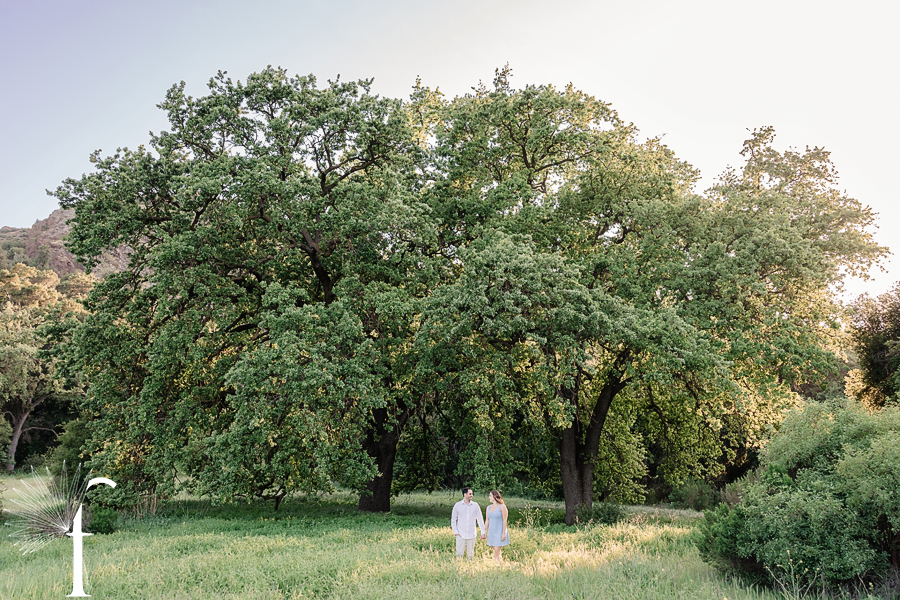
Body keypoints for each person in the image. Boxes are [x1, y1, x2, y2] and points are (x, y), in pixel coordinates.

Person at [450, 486, 485, 559]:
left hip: (472, 534)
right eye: (470, 494)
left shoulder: (475, 505)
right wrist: (456, 532)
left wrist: (483, 531)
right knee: (459, 554)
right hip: (461, 534)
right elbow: (453, 519)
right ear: (464, 494)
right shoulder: (457, 505)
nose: (471, 495)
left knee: (471, 555)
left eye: (472, 494)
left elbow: (480, 519)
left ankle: (470, 568)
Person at [484, 489, 509, 563]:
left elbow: (505, 520)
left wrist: (504, 533)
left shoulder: (502, 507)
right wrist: (484, 531)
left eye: (490, 496)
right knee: (496, 550)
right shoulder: (488, 507)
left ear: (495, 496)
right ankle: (500, 564)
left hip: (500, 531)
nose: (489, 497)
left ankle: (496, 564)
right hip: (492, 531)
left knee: (496, 550)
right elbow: (487, 521)